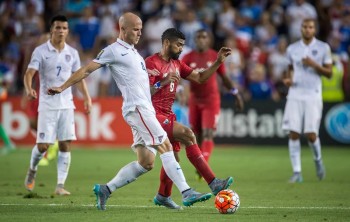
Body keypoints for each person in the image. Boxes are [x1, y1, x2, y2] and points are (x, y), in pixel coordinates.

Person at [47, 12, 212, 211]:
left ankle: (105, 189)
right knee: (166, 145)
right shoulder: (113, 51)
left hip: (144, 109)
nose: (139, 33)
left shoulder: (135, 53)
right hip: (137, 108)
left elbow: (146, 87)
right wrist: (62, 87)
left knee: (146, 162)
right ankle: (186, 191)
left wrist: (162, 83)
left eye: (141, 29)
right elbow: (86, 70)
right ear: (122, 29)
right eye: (135, 29)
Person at [146, 28, 242, 210]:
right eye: (178, 44)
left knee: (173, 158)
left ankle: (163, 195)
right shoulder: (151, 63)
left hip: (167, 113)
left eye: (183, 45)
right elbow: (143, 93)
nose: (181, 48)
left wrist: (217, 62)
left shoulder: (177, 64)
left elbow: (200, 78)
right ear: (167, 43)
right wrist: (163, 82)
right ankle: (213, 182)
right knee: (189, 134)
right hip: (152, 114)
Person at [23, 15, 92, 195]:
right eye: (58, 28)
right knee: (43, 146)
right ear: (52, 30)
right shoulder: (40, 51)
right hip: (47, 105)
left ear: (68, 31)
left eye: (64, 28)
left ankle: (60, 185)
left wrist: (87, 97)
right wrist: (29, 89)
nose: (61, 31)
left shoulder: (72, 53)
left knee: (65, 145)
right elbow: (29, 73)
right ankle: (32, 170)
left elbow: (79, 77)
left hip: (67, 105)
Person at [181, 29, 244, 179]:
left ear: (209, 40)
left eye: (204, 37)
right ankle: (201, 163)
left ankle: (203, 166)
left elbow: (224, 77)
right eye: (198, 37)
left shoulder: (214, 56)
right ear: (195, 40)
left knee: (208, 132)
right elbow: (179, 75)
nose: (201, 39)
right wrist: (180, 90)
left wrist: (235, 93)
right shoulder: (188, 57)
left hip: (211, 100)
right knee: (196, 135)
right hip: (195, 99)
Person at [282, 18, 332, 183]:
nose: (307, 30)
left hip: (313, 94)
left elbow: (329, 73)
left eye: (310, 27)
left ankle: (318, 161)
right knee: (293, 133)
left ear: (314, 29)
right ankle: (297, 172)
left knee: (311, 135)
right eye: (304, 27)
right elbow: (289, 69)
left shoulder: (323, 47)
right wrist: (288, 80)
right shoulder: (292, 48)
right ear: (301, 29)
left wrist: (313, 64)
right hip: (295, 93)